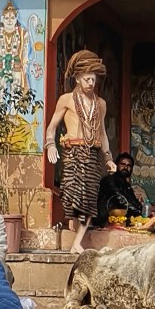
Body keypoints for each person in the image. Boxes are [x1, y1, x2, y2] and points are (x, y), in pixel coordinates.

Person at [46, 51, 113, 253]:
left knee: (90, 198)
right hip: (73, 153)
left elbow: (102, 133)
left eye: (94, 79)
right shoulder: (66, 100)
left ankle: (77, 242)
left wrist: (108, 158)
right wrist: (50, 144)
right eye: (87, 79)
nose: (91, 83)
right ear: (77, 78)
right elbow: (52, 127)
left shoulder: (100, 104)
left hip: (93, 154)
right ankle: (74, 235)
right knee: (71, 195)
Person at [96, 151, 149, 225]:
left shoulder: (126, 185)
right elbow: (122, 202)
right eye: (123, 164)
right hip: (106, 223)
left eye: (129, 165)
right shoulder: (110, 181)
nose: (125, 167)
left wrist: (143, 212)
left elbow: (134, 201)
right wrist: (141, 213)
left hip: (121, 221)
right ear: (117, 165)